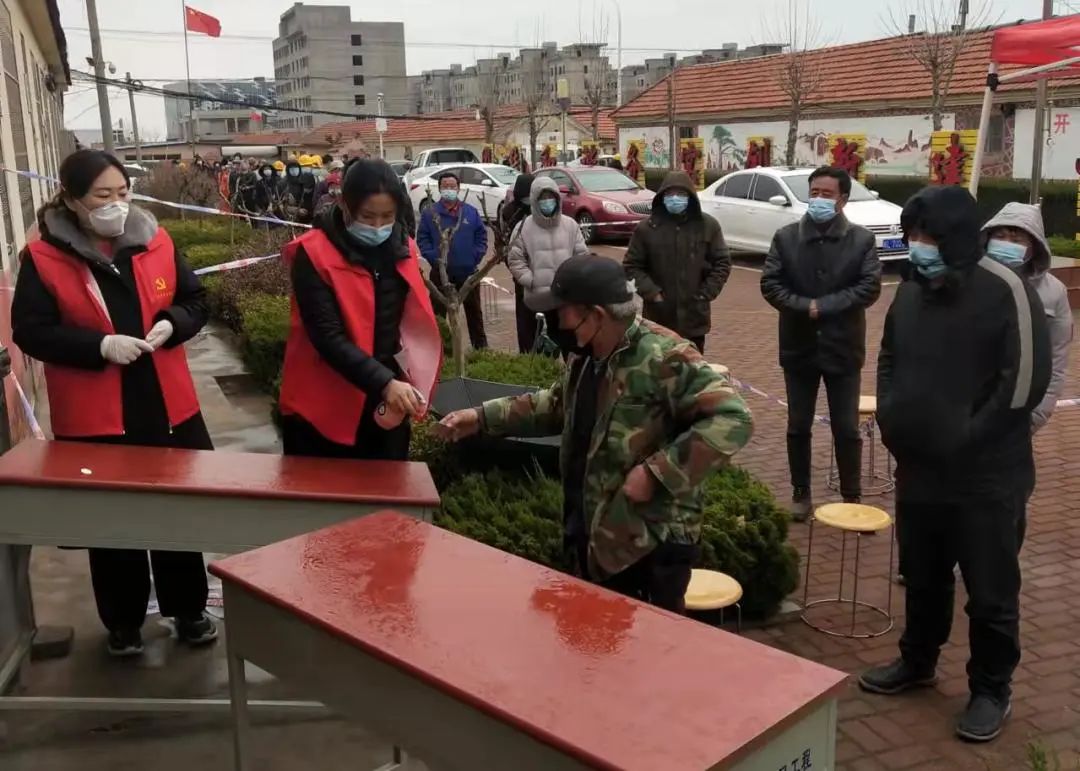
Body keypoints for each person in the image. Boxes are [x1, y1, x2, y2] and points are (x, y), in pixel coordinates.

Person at [435, 256, 754, 612]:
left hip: (649, 544)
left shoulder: (666, 356)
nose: (556, 322)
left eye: (563, 312)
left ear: (597, 314)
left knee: (646, 656)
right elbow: (555, 405)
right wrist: (480, 417)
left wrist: (655, 474)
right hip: (593, 534)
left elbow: (734, 418)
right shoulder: (586, 354)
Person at [858, 186, 1050, 744]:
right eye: (913, 236)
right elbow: (890, 357)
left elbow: (1023, 384)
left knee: (990, 589)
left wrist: (967, 438)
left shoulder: (1006, 288)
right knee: (922, 575)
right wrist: (892, 418)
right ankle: (917, 661)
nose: (919, 247)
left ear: (961, 239)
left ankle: (991, 689)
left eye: (931, 238)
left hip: (987, 474)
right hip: (918, 468)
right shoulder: (912, 292)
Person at [11, 149, 217, 657]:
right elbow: (31, 332)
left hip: (167, 406)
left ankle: (188, 609)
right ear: (72, 199)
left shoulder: (155, 240)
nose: (116, 205)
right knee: (113, 523)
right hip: (97, 413)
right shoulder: (43, 258)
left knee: (177, 515)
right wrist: (99, 347)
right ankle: (123, 622)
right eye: (102, 196)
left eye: (122, 193)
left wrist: (174, 323)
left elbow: (196, 300)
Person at [278, 158, 442, 460]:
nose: (378, 226)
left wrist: (406, 380)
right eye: (367, 216)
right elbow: (327, 336)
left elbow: (408, 326)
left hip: (386, 406)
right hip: (323, 406)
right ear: (345, 206)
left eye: (387, 216)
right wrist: (384, 382)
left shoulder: (403, 250)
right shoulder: (314, 254)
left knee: (388, 496)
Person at [760, 166, 882, 520]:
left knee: (846, 428)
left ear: (843, 199)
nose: (819, 199)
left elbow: (869, 287)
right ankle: (801, 493)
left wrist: (824, 307)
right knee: (798, 425)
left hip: (843, 349)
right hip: (798, 347)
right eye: (814, 192)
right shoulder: (786, 237)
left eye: (827, 194)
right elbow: (771, 284)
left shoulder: (861, 240)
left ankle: (851, 496)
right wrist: (803, 307)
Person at [981, 202, 1072, 433]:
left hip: (1019, 416)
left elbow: (1057, 359)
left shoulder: (1055, 292)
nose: (1006, 244)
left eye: (1017, 239)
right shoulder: (969, 281)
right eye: (1000, 236)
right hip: (967, 408)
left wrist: (1037, 416)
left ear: (1035, 246)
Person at [623, 170, 731, 353]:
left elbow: (722, 262)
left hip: (694, 318)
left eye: (680, 194)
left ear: (690, 197)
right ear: (662, 197)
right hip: (658, 317)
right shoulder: (647, 229)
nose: (675, 199)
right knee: (658, 371)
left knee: (693, 370)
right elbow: (631, 266)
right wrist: (652, 293)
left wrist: (706, 293)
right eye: (670, 194)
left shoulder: (707, 226)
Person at [507, 176, 589, 354]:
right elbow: (515, 260)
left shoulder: (570, 226)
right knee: (536, 350)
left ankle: (570, 380)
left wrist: (573, 283)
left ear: (557, 198)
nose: (547, 202)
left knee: (570, 347)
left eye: (550, 197)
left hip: (565, 300)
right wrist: (531, 280)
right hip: (536, 302)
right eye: (542, 198)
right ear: (534, 200)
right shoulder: (523, 228)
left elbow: (581, 256)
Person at [417, 171, 489, 350]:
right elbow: (422, 239)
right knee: (438, 317)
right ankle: (441, 353)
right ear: (439, 189)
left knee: (474, 316)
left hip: (468, 273)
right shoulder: (430, 213)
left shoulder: (470, 212)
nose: (449, 189)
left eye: (452, 186)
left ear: (459, 188)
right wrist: (435, 258)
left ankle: (481, 351)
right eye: (445, 186)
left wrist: (474, 256)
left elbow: (481, 237)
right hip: (441, 274)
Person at [500, 173, 538, 353]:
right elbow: (504, 245)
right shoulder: (509, 212)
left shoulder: (540, 209)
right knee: (524, 318)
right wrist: (518, 271)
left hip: (544, 275)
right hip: (521, 276)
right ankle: (526, 352)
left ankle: (544, 356)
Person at [280, 158, 314, 224]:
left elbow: (310, 197)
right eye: (291, 168)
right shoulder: (283, 183)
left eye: (296, 167)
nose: (294, 170)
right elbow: (282, 205)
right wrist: (297, 210)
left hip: (307, 217)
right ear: (287, 169)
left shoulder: (305, 180)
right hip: (291, 219)